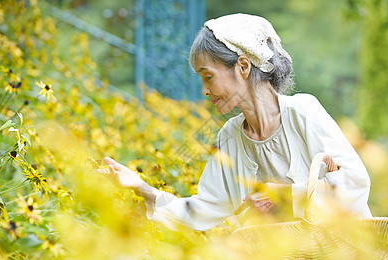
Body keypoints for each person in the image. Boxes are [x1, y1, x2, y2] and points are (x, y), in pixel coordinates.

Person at [98, 13, 372, 231]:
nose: (204, 90)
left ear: (242, 66)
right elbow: (204, 210)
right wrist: (142, 188)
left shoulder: (303, 111)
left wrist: (285, 197)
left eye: (208, 76)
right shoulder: (230, 136)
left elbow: (355, 184)